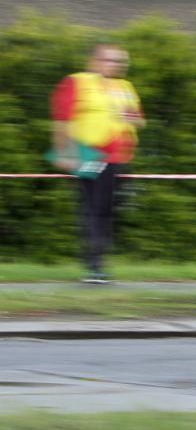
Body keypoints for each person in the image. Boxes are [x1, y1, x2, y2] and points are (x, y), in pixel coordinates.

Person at [50, 44, 144, 284]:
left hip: (120, 158)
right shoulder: (76, 82)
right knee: (95, 208)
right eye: (109, 60)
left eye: (119, 61)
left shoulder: (125, 87)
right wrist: (64, 152)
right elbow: (61, 120)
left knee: (107, 210)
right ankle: (95, 266)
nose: (115, 65)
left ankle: (97, 262)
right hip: (90, 155)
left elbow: (139, 120)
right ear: (93, 61)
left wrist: (132, 117)